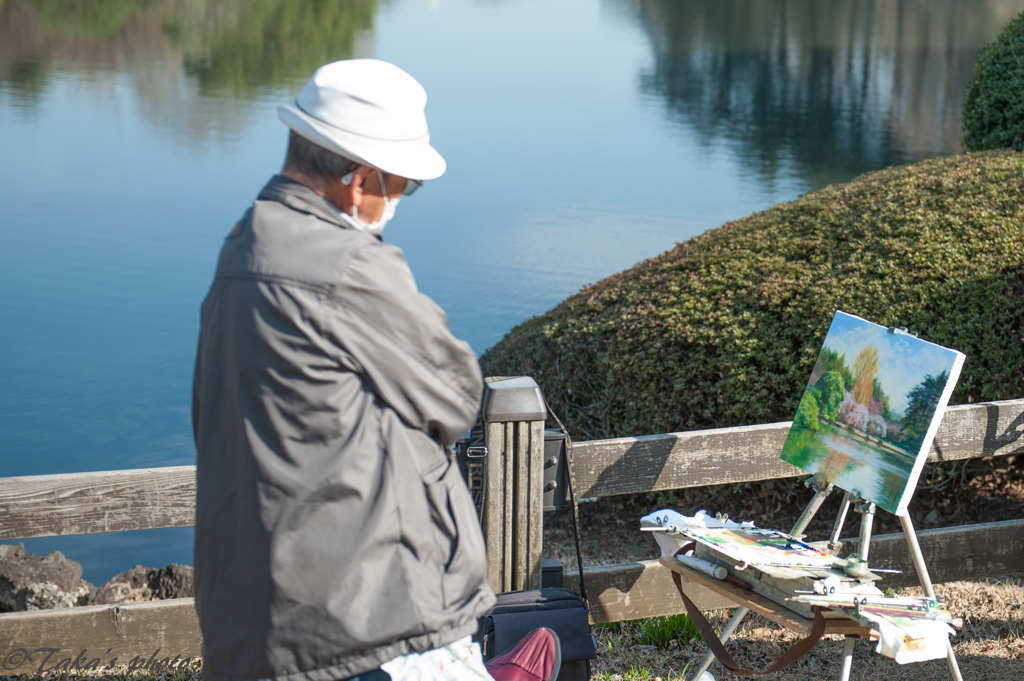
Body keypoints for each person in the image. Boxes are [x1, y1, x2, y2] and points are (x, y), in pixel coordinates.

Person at [192, 60, 558, 681]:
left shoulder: (242, 246)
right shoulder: (347, 264)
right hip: (368, 620)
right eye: (402, 186)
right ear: (359, 181)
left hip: (259, 610)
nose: (398, 202)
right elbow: (457, 393)